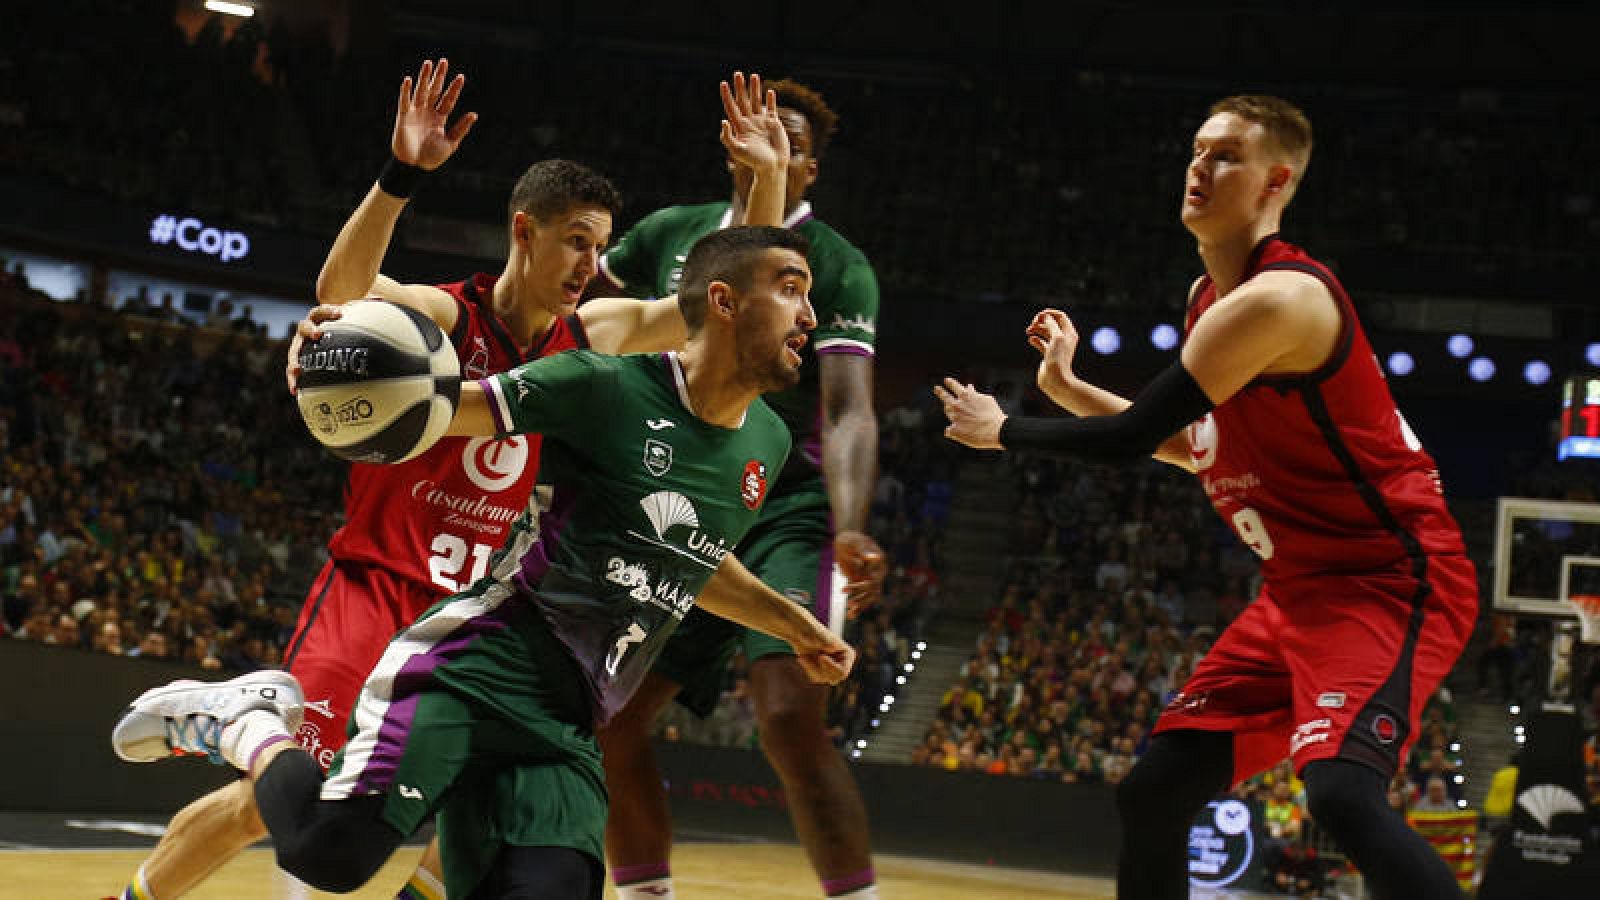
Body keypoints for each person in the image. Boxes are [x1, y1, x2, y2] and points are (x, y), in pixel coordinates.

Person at [115, 61, 794, 900]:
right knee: (288, 812)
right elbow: (343, 290)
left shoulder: (594, 337)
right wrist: (401, 179)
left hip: (488, 615)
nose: (590, 261)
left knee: (482, 815)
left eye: (599, 244)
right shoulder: (445, 316)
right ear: (524, 232)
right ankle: (168, 837)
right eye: (575, 239)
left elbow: (722, 310)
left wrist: (763, 179)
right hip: (378, 586)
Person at [938, 94, 1477, 899]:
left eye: (1226, 155)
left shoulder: (1279, 300)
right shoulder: (1208, 300)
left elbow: (1128, 444)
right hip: (1295, 595)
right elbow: (1195, 449)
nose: (1200, 166)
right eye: (1196, 149)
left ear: (1276, 181)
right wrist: (1071, 388)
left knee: (1339, 793)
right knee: (1154, 790)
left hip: (1389, 583)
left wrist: (1004, 430)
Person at [591, 75, 886, 900]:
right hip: (676, 502)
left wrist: (853, 524)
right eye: (755, 128)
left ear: (812, 170)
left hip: (785, 508)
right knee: (610, 719)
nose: (767, 142)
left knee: (790, 720)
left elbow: (850, 408)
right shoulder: (667, 234)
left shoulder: (838, 264)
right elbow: (587, 329)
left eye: (788, 138)